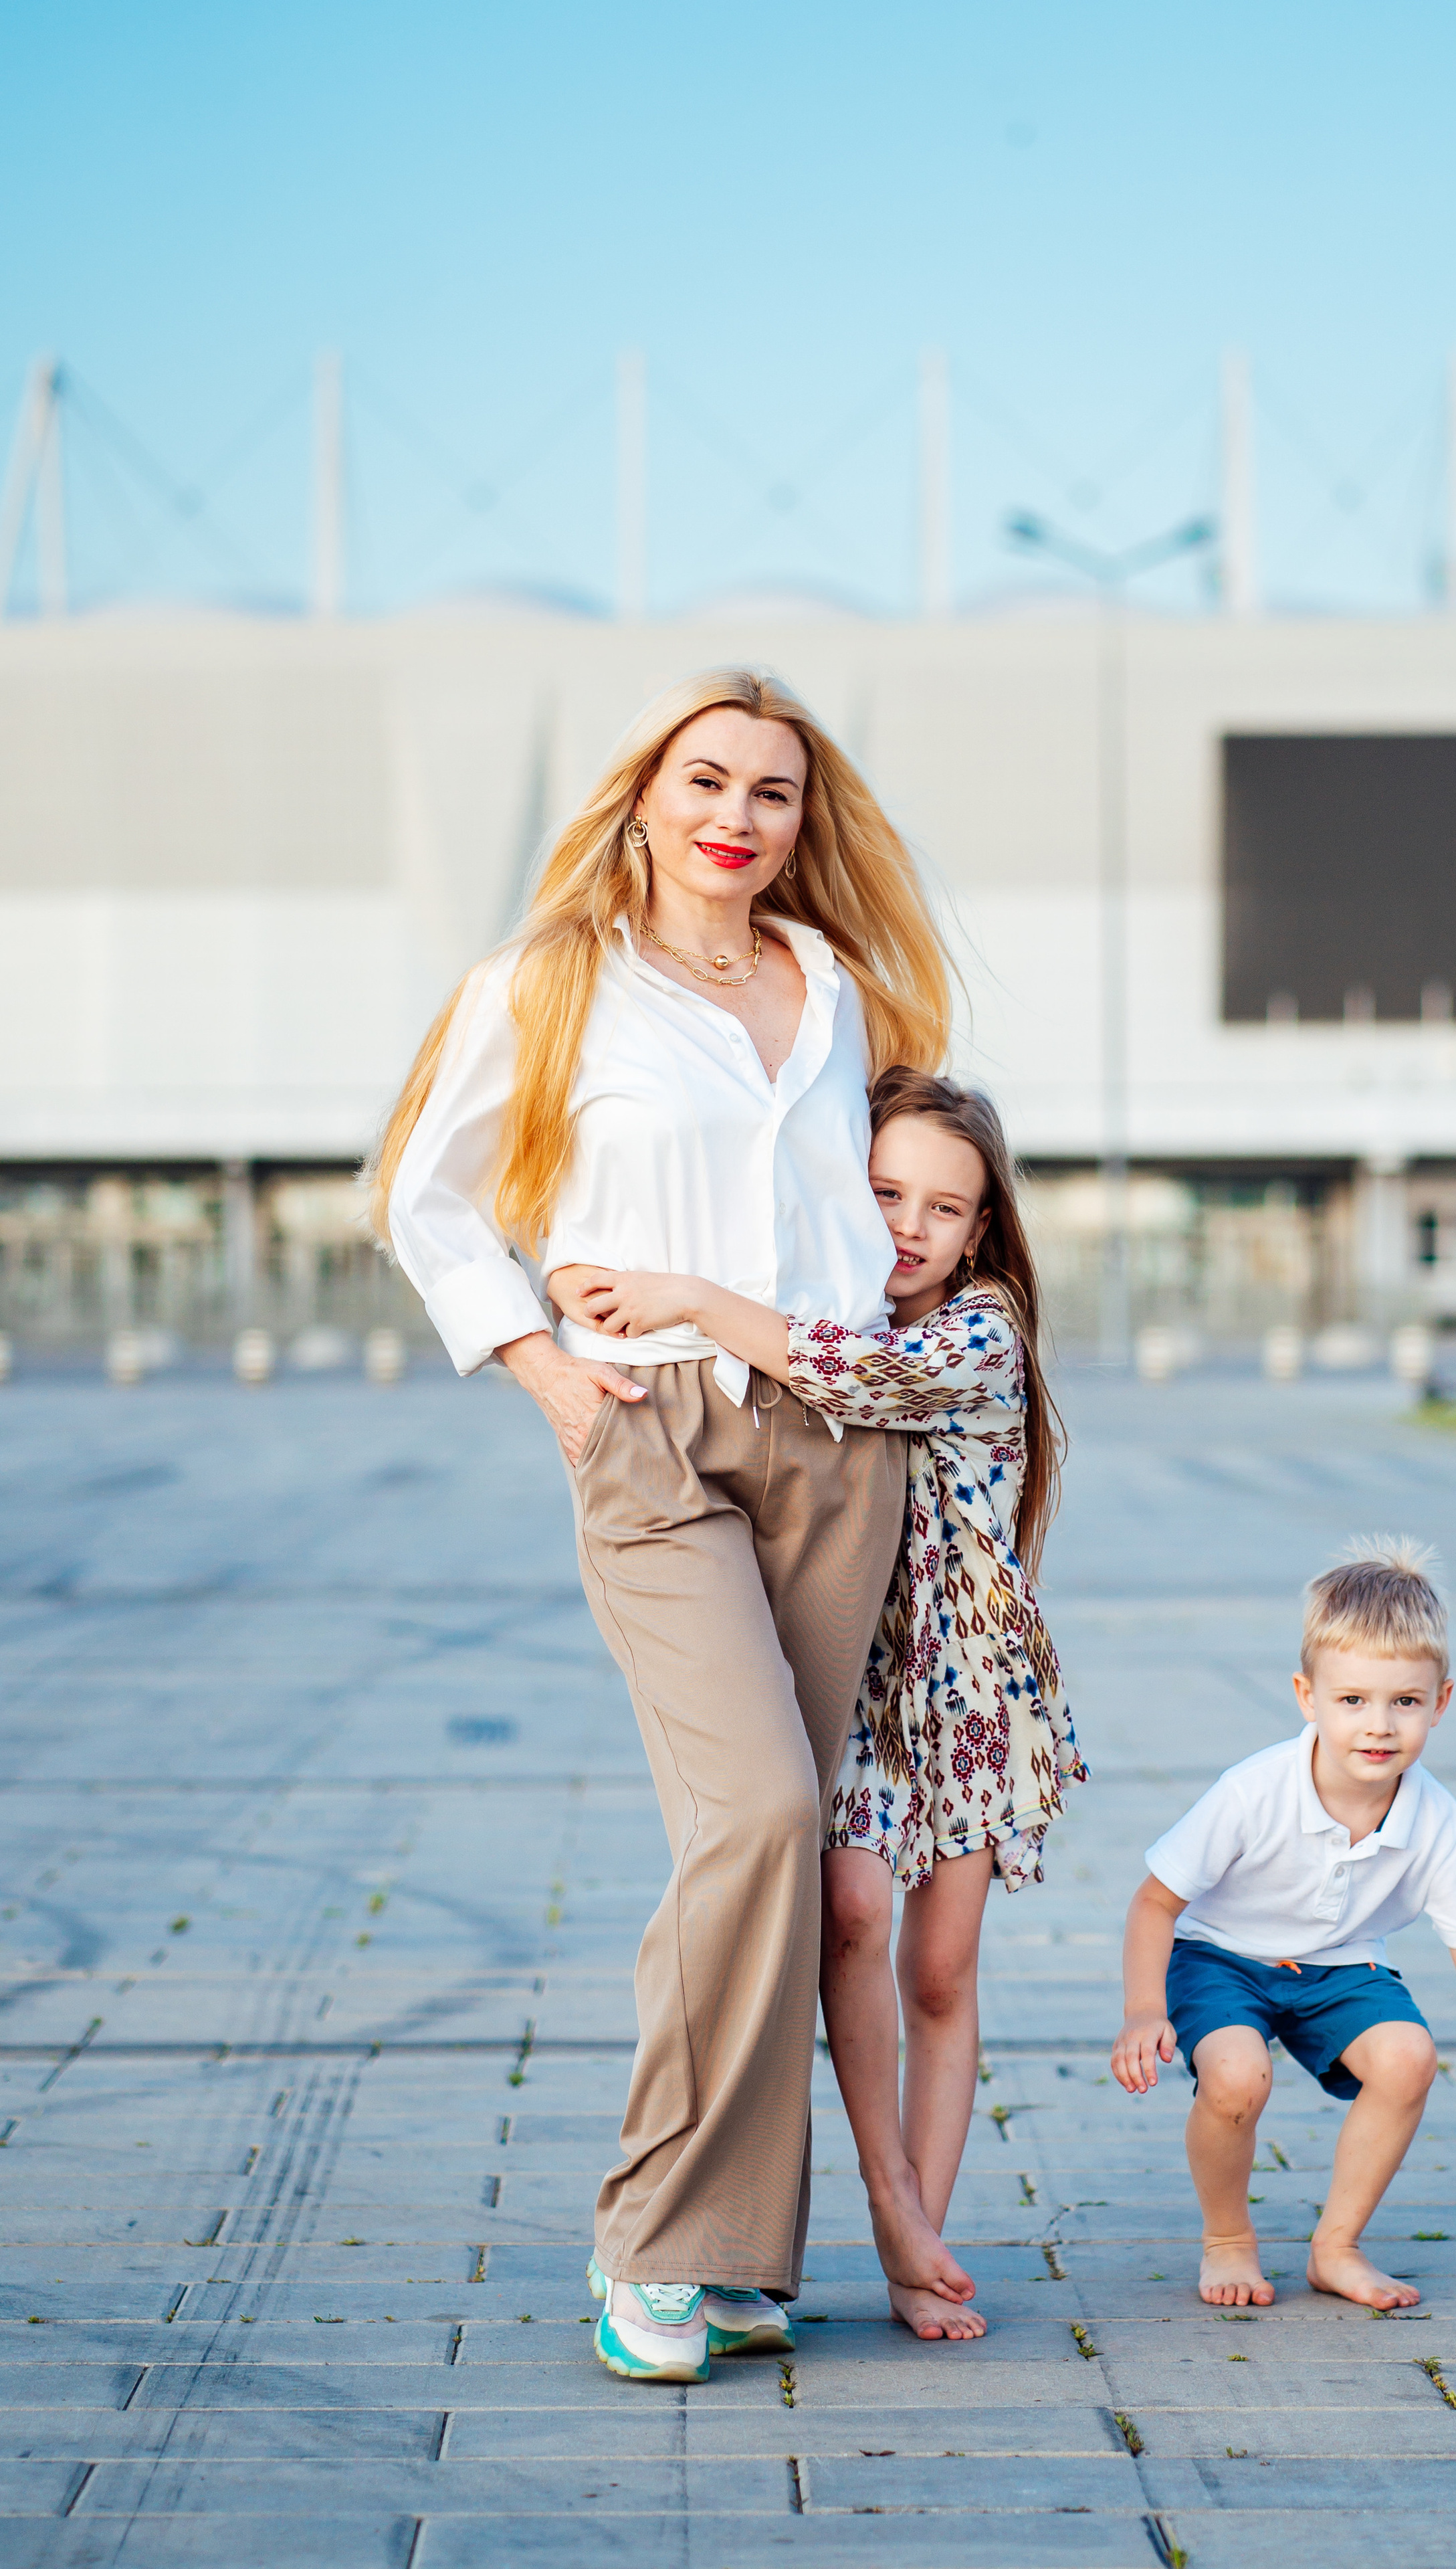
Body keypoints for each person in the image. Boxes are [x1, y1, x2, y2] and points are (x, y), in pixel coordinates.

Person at [368, 668, 952, 2384]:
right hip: (649, 1427)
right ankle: (649, 2235)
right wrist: (542, 1368)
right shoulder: (548, 979)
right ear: (640, 795)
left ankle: (741, 2254)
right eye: (706, 778)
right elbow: (428, 1191)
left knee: (787, 1848)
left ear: (799, 824)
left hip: (836, 1442)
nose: (737, 814)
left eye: (772, 792)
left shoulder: (833, 987)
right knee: (754, 1811)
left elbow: (869, 1218)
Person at [566, 1068, 1087, 2342]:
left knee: (943, 1967)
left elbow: (850, 1376)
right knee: (846, 1913)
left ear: (984, 1231)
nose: (911, 1226)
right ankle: (883, 2196)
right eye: (885, 1191)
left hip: (966, 1687)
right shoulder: (818, 1295)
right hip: (857, 1664)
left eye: (947, 1208)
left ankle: (916, 2242)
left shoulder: (980, 1330)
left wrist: (687, 1294)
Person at [1110, 1541, 1456, 2311]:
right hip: (1221, 1959)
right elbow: (1154, 1903)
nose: (1378, 1727)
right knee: (1238, 2075)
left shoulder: (1436, 1817)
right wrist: (1144, 2009)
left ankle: (1335, 2247)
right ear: (1307, 1696)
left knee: (1408, 2056)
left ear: (1440, 1703)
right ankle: (1226, 2239)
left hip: (1340, 1967)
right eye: (1352, 1701)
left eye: (1404, 1702)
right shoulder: (1253, 1791)